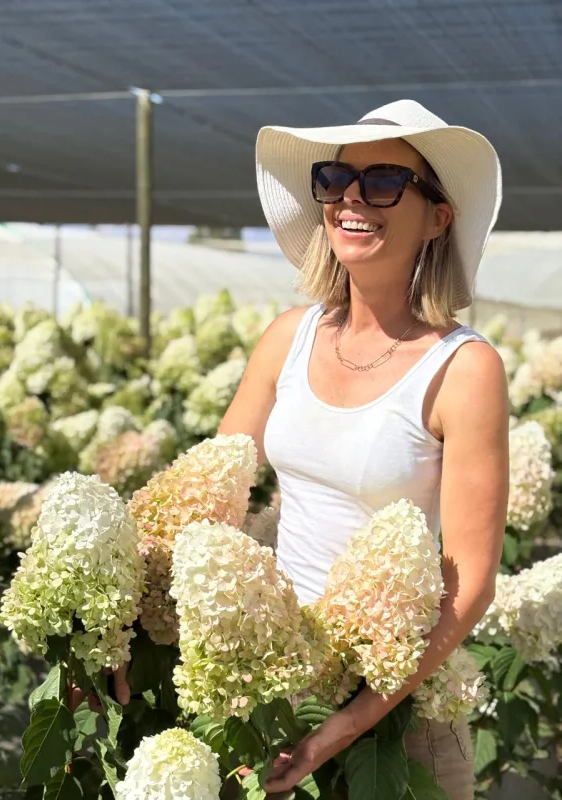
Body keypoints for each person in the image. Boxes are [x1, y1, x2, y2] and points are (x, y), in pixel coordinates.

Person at [93, 99, 509, 799]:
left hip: (397, 708)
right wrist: (123, 626)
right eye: (336, 178)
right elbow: (209, 491)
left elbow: (469, 584)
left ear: (438, 216)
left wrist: (341, 726)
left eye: (383, 182)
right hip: (277, 680)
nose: (352, 197)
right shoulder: (290, 337)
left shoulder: (463, 369)